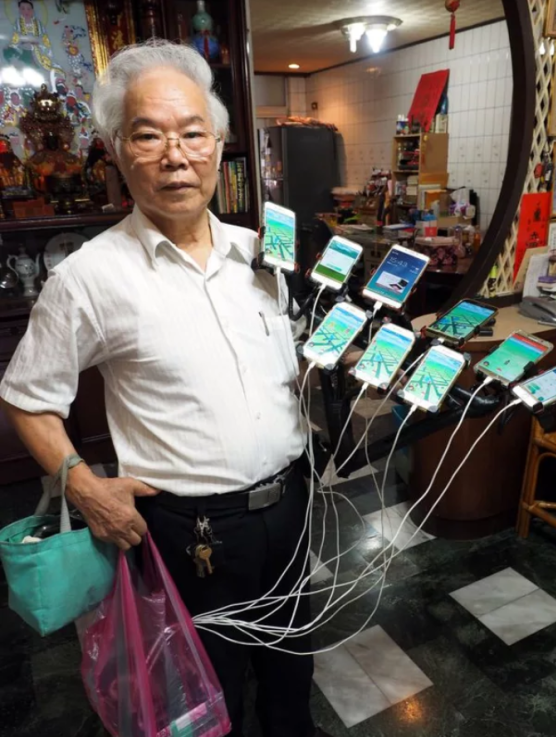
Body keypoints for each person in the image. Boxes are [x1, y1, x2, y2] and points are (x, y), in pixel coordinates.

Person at [0, 40, 331, 737]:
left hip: (290, 506)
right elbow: (27, 399)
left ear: (218, 144)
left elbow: (286, 363)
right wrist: (84, 487)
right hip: (192, 532)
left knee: (291, 668)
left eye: (192, 133)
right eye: (149, 136)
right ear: (118, 152)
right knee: (207, 691)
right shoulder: (88, 278)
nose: (175, 156)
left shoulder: (258, 252)